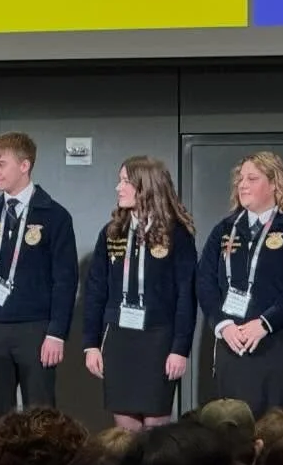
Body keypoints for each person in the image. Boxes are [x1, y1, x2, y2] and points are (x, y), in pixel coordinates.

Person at [0, 132, 78, 419]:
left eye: (1, 164)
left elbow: (65, 280)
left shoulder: (54, 216)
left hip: (36, 329)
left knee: (41, 415)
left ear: (24, 166)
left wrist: (56, 332)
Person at [196, 151, 283, 416]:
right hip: (234, 344)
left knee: (277, 428)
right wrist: (223, 325)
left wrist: (265, 323)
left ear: (275, 183)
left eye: (252, 179)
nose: (243, 185)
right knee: (234, 426)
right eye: (240, 179)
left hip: (280, 344)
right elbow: (205, 282)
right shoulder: (225, 230)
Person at [82, 156, 198, 429]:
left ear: (145, 186)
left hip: (158, 339)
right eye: (119, 180)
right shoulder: (112, 232)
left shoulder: (177, 234)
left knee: (155, 428)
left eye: (125, 181)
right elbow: (95, 291)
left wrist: (180, 349)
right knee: (125, 431)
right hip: (119, 338)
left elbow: (186, 296)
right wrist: (91, 345)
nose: (118, 187)